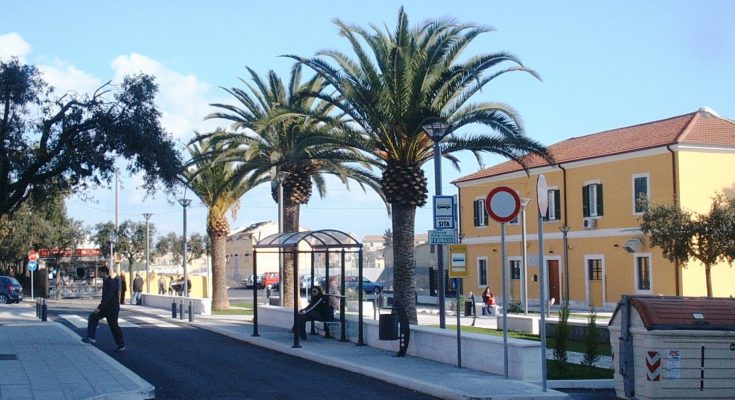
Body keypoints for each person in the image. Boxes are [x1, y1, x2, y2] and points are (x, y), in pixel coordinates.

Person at [82, 266, 126, 352]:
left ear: (104, 273)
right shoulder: (106, 281)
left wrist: (99, 308)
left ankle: (121, 344)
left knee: (114, 326)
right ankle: (91, 337)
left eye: (99, 272)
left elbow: (108, 297)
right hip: (106, 307)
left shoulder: (110, 282)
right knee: (93, 317)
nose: (98, 274)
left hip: (112, 308)